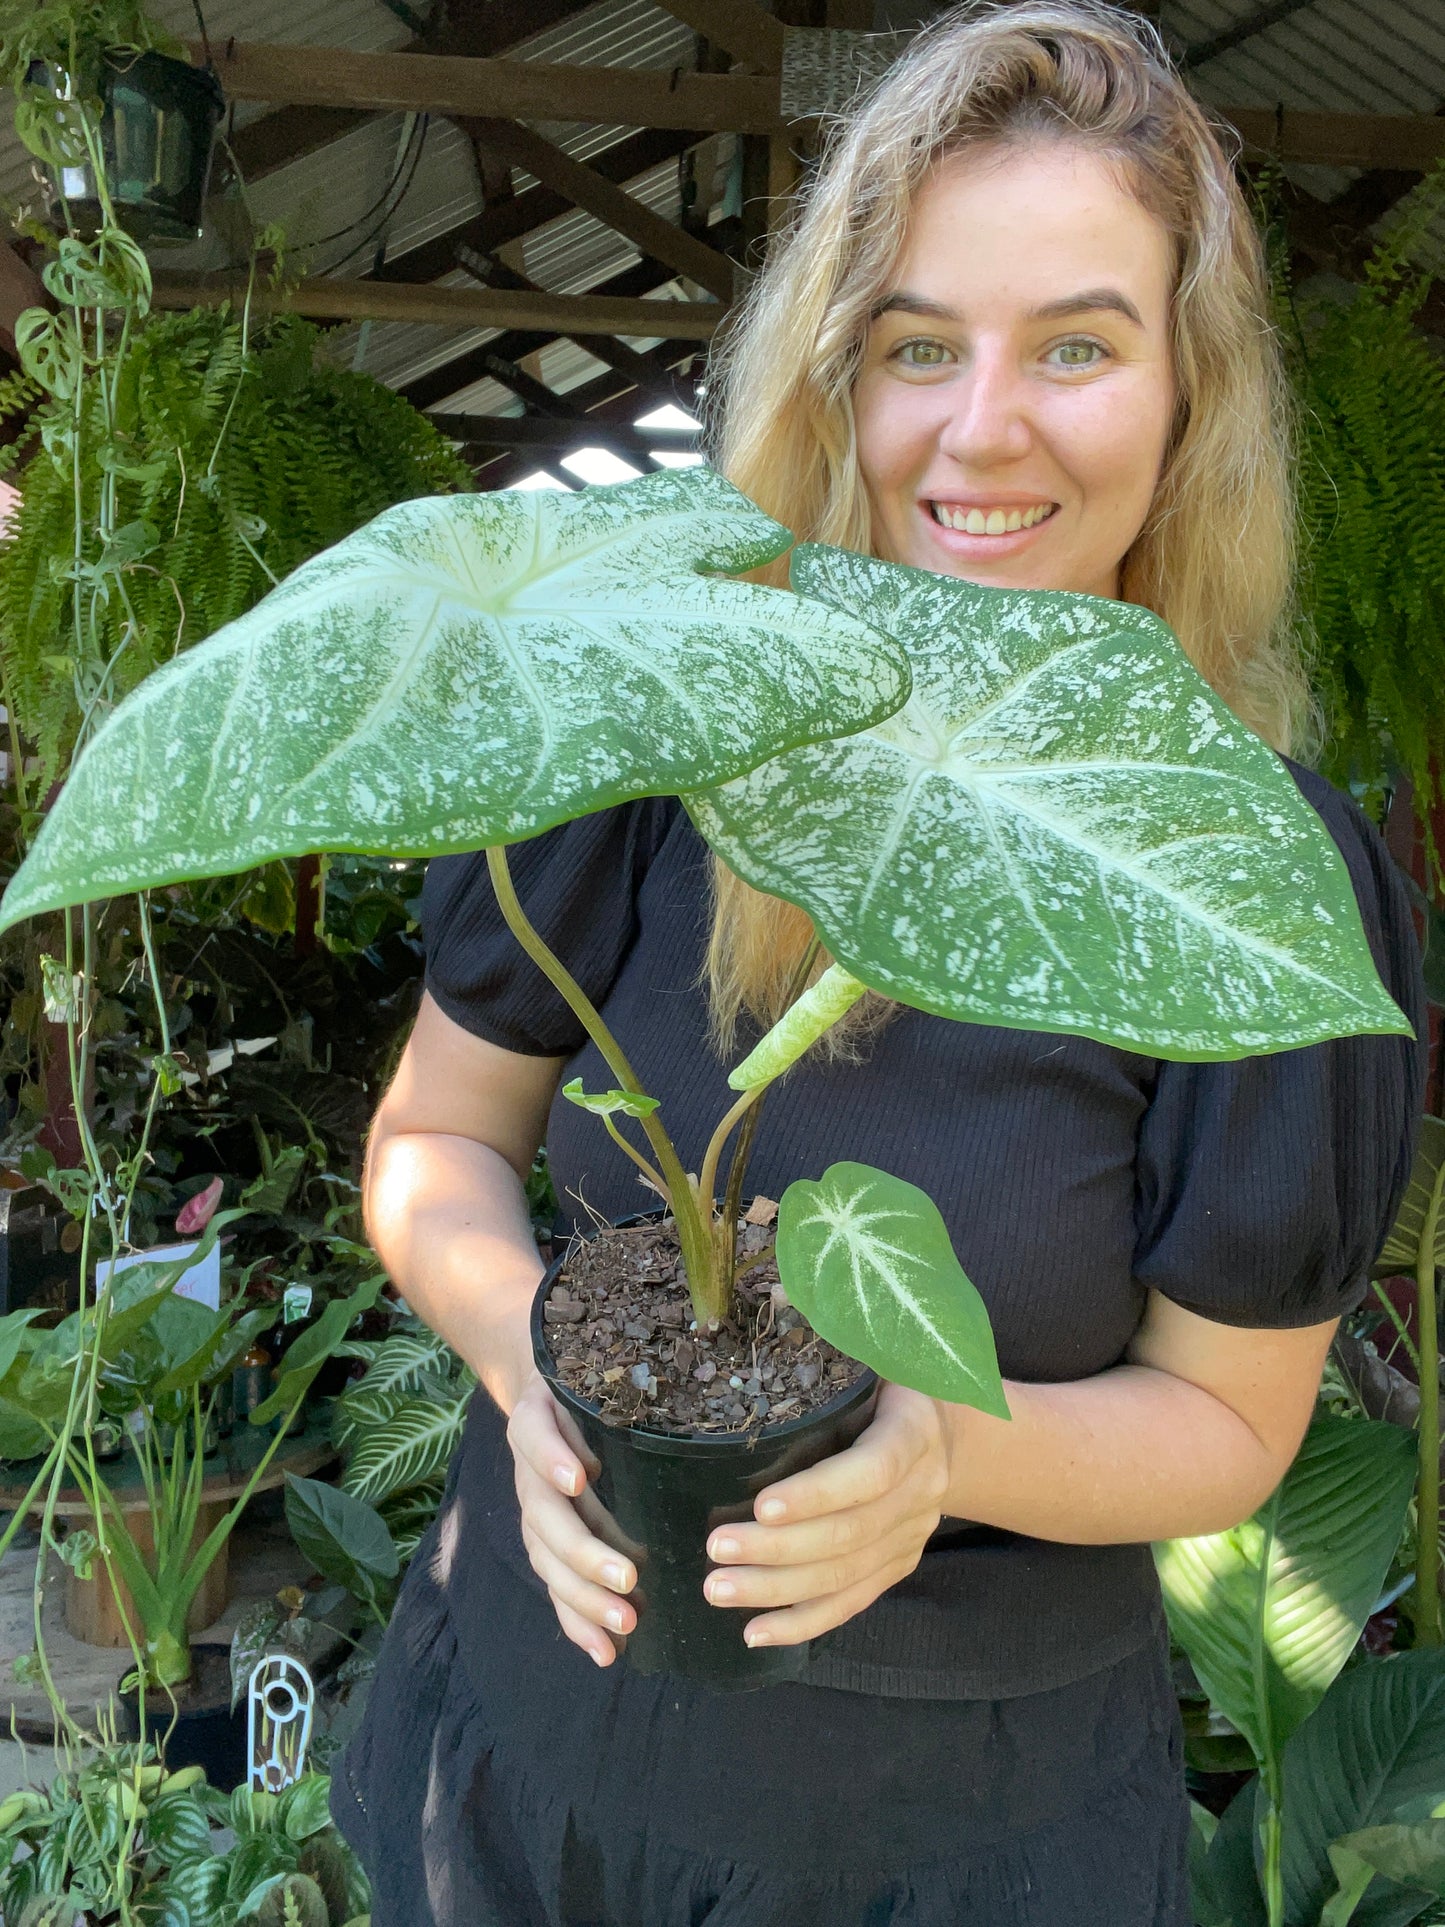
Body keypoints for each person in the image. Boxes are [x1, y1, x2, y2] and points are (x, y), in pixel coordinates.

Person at [332, 4, 1428, 1922]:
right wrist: (530, 1377)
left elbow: (1231, 1427)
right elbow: (431, 1143)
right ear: (836, 381)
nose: (979, 426)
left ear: (1187, 396)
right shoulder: (651, 735)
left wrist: (937, 1454)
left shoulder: (1239, 870)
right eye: (919, 345)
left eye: (1075, 345)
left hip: (953, 1831)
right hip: (524, 1756)